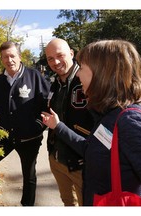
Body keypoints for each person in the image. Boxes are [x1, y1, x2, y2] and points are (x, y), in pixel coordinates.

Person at [41, 39, 141, 206]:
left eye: (82, 67)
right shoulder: (108, 114)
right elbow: (90, 149)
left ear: (102, 73)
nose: (77, 74)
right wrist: (59, 127)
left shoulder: (132, 122)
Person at [0, 41, 50, 206]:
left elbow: (47, 105)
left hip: (29, 139)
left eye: (12, 55)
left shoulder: (34, 77)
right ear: (1, 59)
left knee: (29, 175)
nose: (9, 60)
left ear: (19, 57)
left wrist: (38, 125)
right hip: (4, 137)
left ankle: (27, 206)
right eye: (5, 57)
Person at [44, 38, 94, 206]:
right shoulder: (55, 84)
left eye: (60, 55)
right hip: (57, 160)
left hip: (82, 164)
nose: (55, 62)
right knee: (67, 202)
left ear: (71, 54)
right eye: (50, 58)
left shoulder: (87, 80)